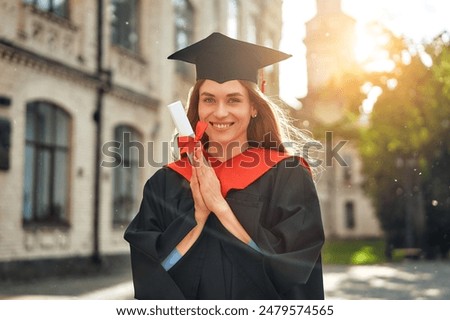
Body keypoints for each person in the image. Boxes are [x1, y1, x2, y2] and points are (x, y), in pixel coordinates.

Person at [124, 32, 325, 299]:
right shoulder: (165, 182)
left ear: (254, 107)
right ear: (197, 106)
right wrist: (197, 216)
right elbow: (150, 274)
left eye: (233, 99)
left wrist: (220, 207)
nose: (219, 112)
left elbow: (293, 272)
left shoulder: (288, 176)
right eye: (208, 99)